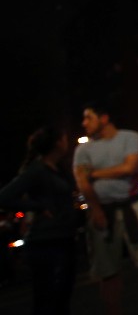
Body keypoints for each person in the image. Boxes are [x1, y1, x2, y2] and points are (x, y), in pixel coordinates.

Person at [73, 102, 138, 315]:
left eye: (89, 117)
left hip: (132, 205)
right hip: (102, 209)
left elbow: (131, 166)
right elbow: (82, 182)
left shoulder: (130, 137)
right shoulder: (83, 149)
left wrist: (95, 173)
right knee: (107, 271)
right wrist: (95, 209)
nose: (84, 123)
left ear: (104, 118)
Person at [0, 127, 77, 315]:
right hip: (46, 241)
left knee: (61, 297)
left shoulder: (57, 168)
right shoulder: (37, 170)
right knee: (48, 298)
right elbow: (5, 196)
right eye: (64, 138)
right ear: (57, 143)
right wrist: (38, 207)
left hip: (63, 236)